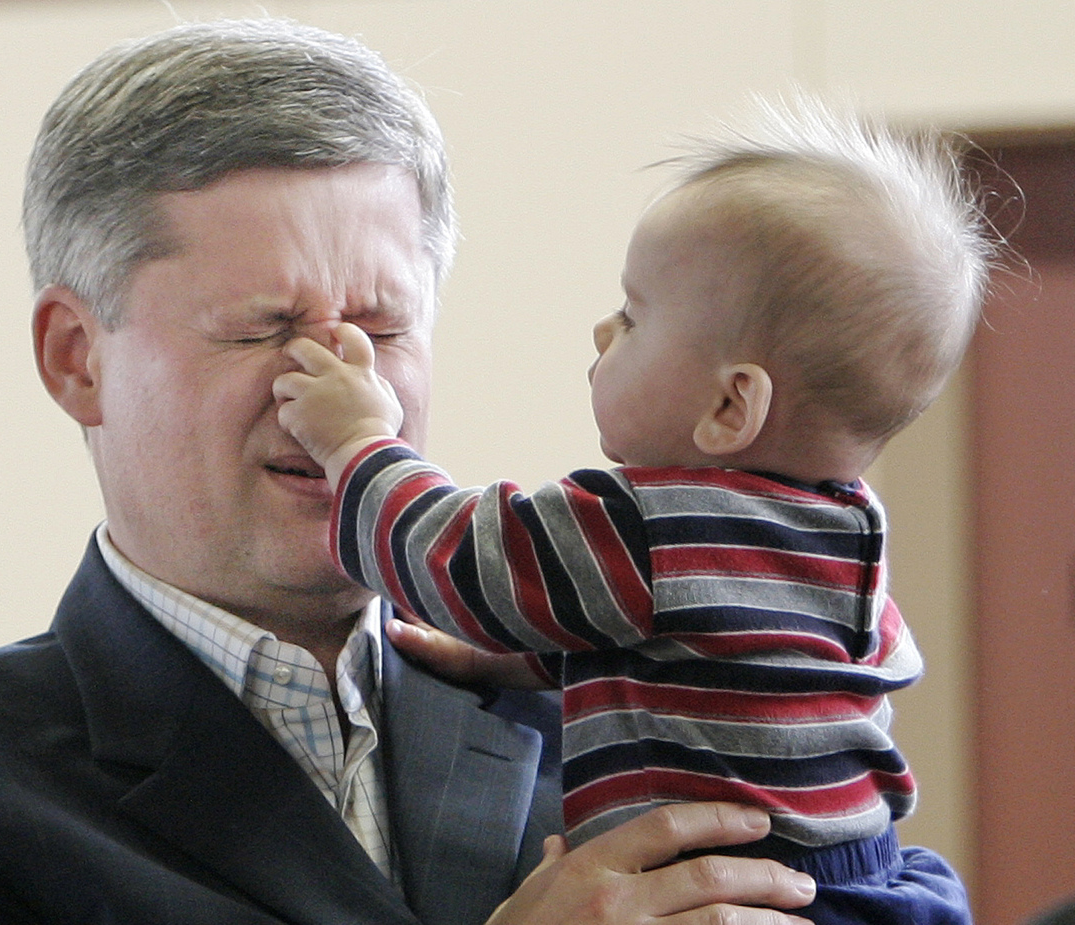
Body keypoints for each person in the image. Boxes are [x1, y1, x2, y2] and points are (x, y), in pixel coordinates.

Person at [0, 18, 819, 925]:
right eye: (263, 328)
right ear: (76, 357)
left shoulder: (640, 699)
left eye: (382, 327)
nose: (341, 390)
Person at [273, 93, 992, 924]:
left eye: (632, 315)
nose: (601, 332)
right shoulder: (846, 529)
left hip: (721, 887)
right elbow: (706, 663)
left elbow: (461, 558)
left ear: (731, 406)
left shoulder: (645, 527)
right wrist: (516, 662)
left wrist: (357, 441)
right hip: (865, 879)